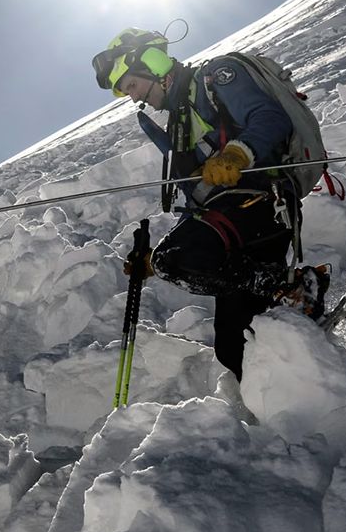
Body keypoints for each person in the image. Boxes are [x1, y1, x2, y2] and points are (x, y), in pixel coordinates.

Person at [93, 27, 328, 379]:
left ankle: (289, 287)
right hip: (233, 219)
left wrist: (237, 153)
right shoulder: (180, 124)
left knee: (176, 258)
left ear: (152, 64)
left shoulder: (214, 78)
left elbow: (270, 118)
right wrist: (152, 263)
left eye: (131, 86)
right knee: (232, 348)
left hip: (262, 203)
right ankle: (297, 366)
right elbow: (202, 206)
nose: (135, 99)